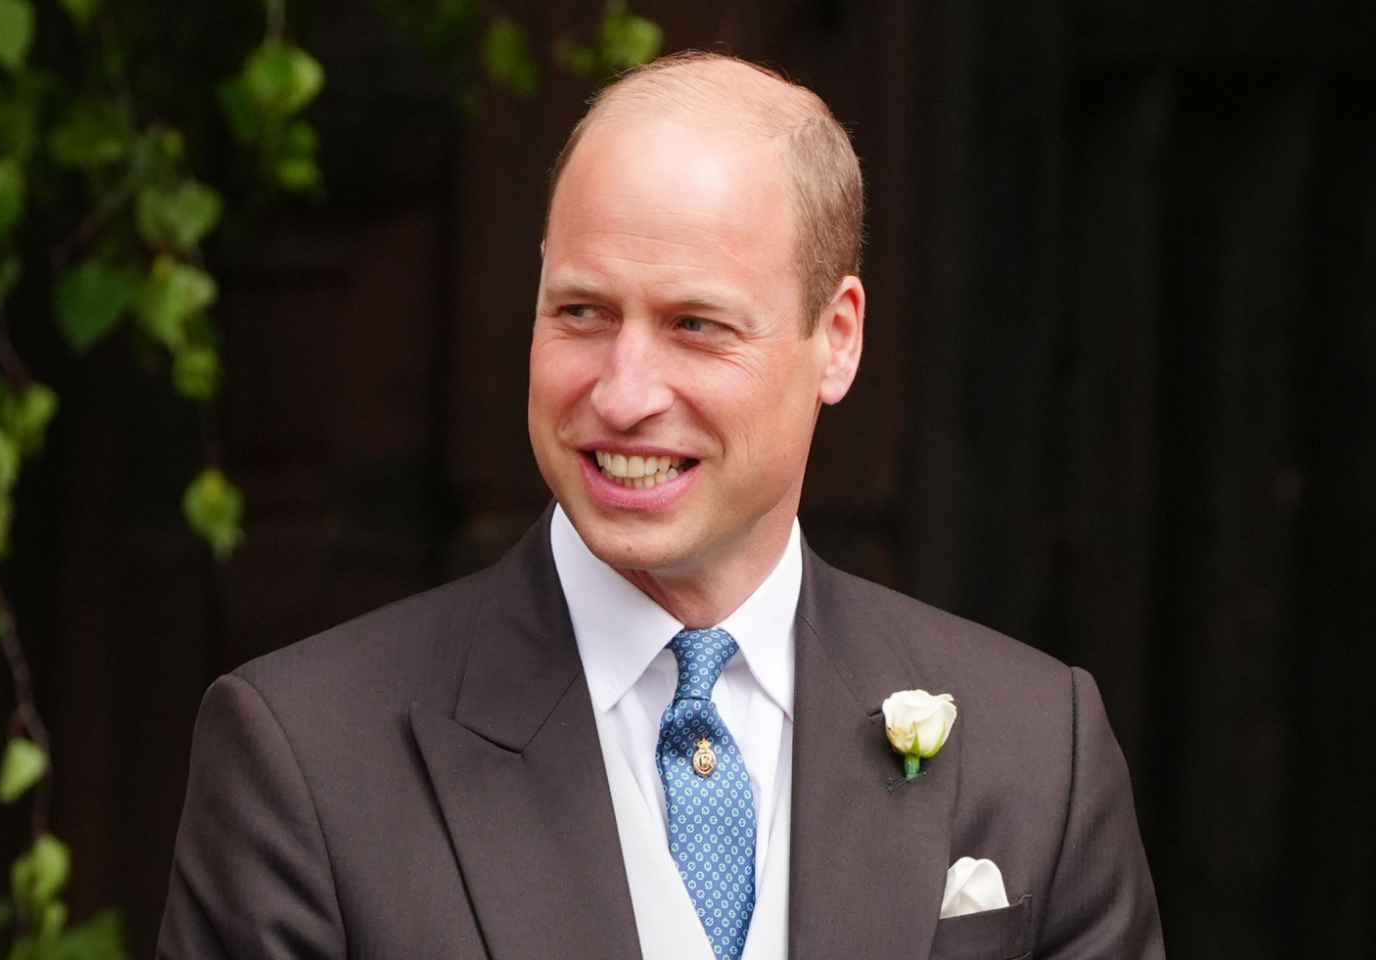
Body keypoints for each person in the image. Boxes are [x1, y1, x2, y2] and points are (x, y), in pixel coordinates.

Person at [157, 51, 1163, 959]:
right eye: (583, 313)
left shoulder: (1036, 749)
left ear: (838, 338)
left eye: (694, 325)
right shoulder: (306, 757)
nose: (623, 392)